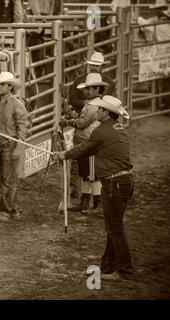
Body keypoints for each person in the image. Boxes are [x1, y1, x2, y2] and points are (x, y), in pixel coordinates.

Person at [58, 95, 134, 281]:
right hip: (123, 181)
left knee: (114, 228)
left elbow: (85, 148)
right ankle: (107, 266)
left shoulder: (103, 130)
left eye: (100, 109)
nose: (97, 111)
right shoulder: (118, 128)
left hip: (113, 183)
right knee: (114, 227)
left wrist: (65, 154)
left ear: (106, 113)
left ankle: (124, 270)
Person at [67, 51, 116, 199]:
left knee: (89, 168)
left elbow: (83, 121)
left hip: (88, 132)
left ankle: (92, 197)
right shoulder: (82, 83)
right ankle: (83, 194)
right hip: (89, 129)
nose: (95, 67)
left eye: (97, 65)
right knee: (84, 166)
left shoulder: (96, 99)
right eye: (93, 65)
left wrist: (75, 117)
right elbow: (72, 100)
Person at [60, 73, 109, 214]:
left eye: (88, 89)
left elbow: (82, 123)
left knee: (91, 174)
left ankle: (95, 204)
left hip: (89, 143)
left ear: (95, 89)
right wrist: (73, 115)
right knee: (86, 174)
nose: (86, 92)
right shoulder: (93, 104)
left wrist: (68, 121)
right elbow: (83, 119)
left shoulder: (94, 105)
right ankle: (87, 201)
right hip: (86, 142)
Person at [0, 72, 29, 222]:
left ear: (10, 86)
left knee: (8, 179)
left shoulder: (17, 105)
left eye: (3, 84)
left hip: (10, 144)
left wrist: (19, 147)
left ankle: (7, 210)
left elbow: (22, 126)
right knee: (2, 178)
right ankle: (12, 209)